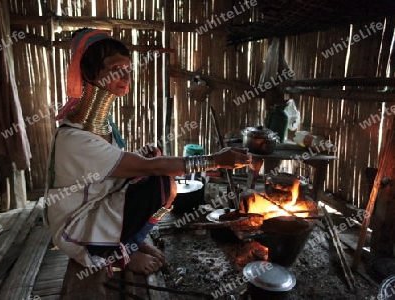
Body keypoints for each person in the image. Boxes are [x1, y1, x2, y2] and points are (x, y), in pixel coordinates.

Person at [44, 28, 251, 276]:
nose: (126, 76)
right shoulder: (75, 138)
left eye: (128, 70)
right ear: (89, 73)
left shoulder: (101, 125)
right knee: (162, 184)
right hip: (76, 227)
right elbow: (147, 167)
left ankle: (128, 239)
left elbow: (117, 167)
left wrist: (145, 159)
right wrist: (215, 160)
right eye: (115, 69)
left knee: (154, 172)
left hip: (95, 205)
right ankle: (119, 254)